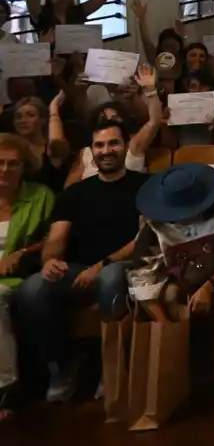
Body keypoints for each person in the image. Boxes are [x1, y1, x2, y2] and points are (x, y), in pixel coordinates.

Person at [18, 121, 143, 406]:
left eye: (113, 143)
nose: (106, 150)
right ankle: (62, 367)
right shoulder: (74, 193)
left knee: (110, 277)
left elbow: (143, 239)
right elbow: (56, 237)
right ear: (90, 151)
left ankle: (110, 368)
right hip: (77, 271)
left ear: (125, 146)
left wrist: (99, 266)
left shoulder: (144, 185)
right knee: (33, 288)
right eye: (99, 145)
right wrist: (50, 261)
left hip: (124, 267)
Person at [127, 162, 214, 376]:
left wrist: (210, 286)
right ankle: (184, 368)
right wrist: (167, 331)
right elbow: (142, 278)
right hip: (181, 282)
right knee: (171, 297)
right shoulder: (154, 228)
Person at [0, 133, 56, 422]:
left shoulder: (40, 196)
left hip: (15, 280)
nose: (5, 170)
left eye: (13, 164)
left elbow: (54, 237)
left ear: (24, 167)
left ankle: (4, 390)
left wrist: (21, 253)